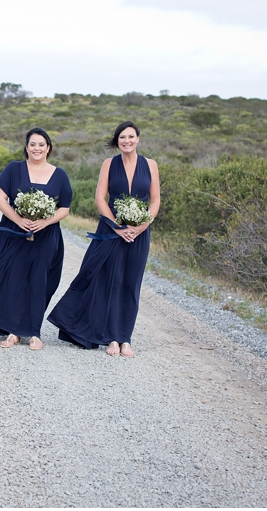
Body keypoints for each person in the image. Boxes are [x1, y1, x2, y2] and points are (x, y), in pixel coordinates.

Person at [47, 121, 160, 357]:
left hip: (139, 234)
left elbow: (155, 201)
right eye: (122, 137)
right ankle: (110, 338)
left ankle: (125, 338)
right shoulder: (109, 164)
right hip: (110, 231)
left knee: (131, 284)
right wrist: (118, 228)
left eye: (131, 137)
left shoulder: (150, 165)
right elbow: (100, 199)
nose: (127, 141)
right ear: (117, 141)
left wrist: (140, 228)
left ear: (138, 139)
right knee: (108, 281)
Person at [0, 128, 72, 350]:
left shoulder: (59, 175)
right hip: (15, 233)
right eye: (32, 144)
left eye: (41, 144)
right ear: (26, 147)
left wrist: (45, 222)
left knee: (39, 281)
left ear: (48, 148)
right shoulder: (14, 169)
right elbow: (0, 199)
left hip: (46, 236)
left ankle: (34, 332)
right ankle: (14, 331)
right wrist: (19, 220)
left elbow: (65, 208)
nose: (37, 148)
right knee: (14, 280)